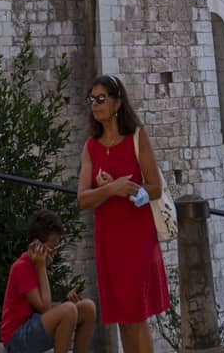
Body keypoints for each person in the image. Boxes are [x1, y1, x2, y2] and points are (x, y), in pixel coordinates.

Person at [77, 75, 169, 353]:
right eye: (91, 99)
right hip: (109, 241)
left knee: (136, 317)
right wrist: (111, 189)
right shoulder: (91, 146)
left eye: (101, 99)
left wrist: (130, 192)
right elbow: (83, 198)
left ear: (117, 103)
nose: (95, 105)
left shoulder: (137, 137)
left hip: (137, 238)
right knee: (123, 320)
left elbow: (155, 187)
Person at [0, 207, 96, 353]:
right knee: (68, 310)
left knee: (88, 307)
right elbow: (43, 308)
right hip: (16, 339)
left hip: (33, 326)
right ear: (37, 245)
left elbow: (42, 308)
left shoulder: (38, 265)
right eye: (52, 247)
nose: (55, 252)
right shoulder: (22, 267)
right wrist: (41, 267)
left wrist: (66, 302)